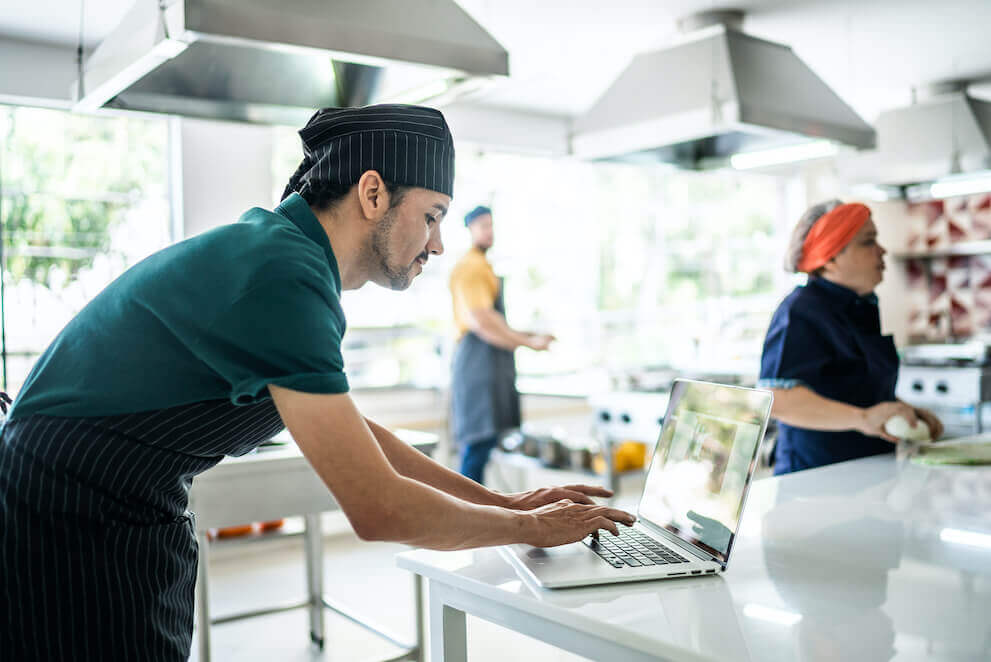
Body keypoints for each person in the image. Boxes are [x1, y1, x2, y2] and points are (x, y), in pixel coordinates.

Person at [0, 104, 633, 661]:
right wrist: (532, 531)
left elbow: (356, 431)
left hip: (105, 496)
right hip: (71, 512)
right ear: (373, 193)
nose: (438, 244)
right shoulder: (286, 274)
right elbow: (379, 508)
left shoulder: (283, 253)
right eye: (432, 216)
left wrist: (508, 504)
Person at [758, 200, 944, 475]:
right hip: (815, 483)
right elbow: (778, 398)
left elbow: (853, 389)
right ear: (830, 257)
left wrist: (904, 411)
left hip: (868, 478)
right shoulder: (800, 310)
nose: (882, 250)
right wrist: (865, 419)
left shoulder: (861, 307)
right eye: (869, 242)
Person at [448, 205, 554, 483]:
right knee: (476, 446)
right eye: (483, 225)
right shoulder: (469, 268)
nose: (489, 231)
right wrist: (529, 344)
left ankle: (478, 517)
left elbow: (496, 322)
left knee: (484, 446)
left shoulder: (483, 266)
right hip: (477, 365)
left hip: (489, 365)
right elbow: (483, 322)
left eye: (491, 225)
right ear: (469, 229)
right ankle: (468, 521)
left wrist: (530, 336)